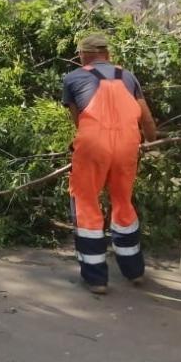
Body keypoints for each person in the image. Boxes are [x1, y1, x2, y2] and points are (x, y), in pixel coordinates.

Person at [62, 33, 158, 294]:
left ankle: (96, 279)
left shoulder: (73, 78)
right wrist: (151, 144)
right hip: (128, 145)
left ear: (84, 54)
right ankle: (134, 272)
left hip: (93, 145)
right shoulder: (128, 77)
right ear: (107, 54)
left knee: (86, 203)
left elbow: (78, 119)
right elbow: (147, 119)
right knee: (123, 202)